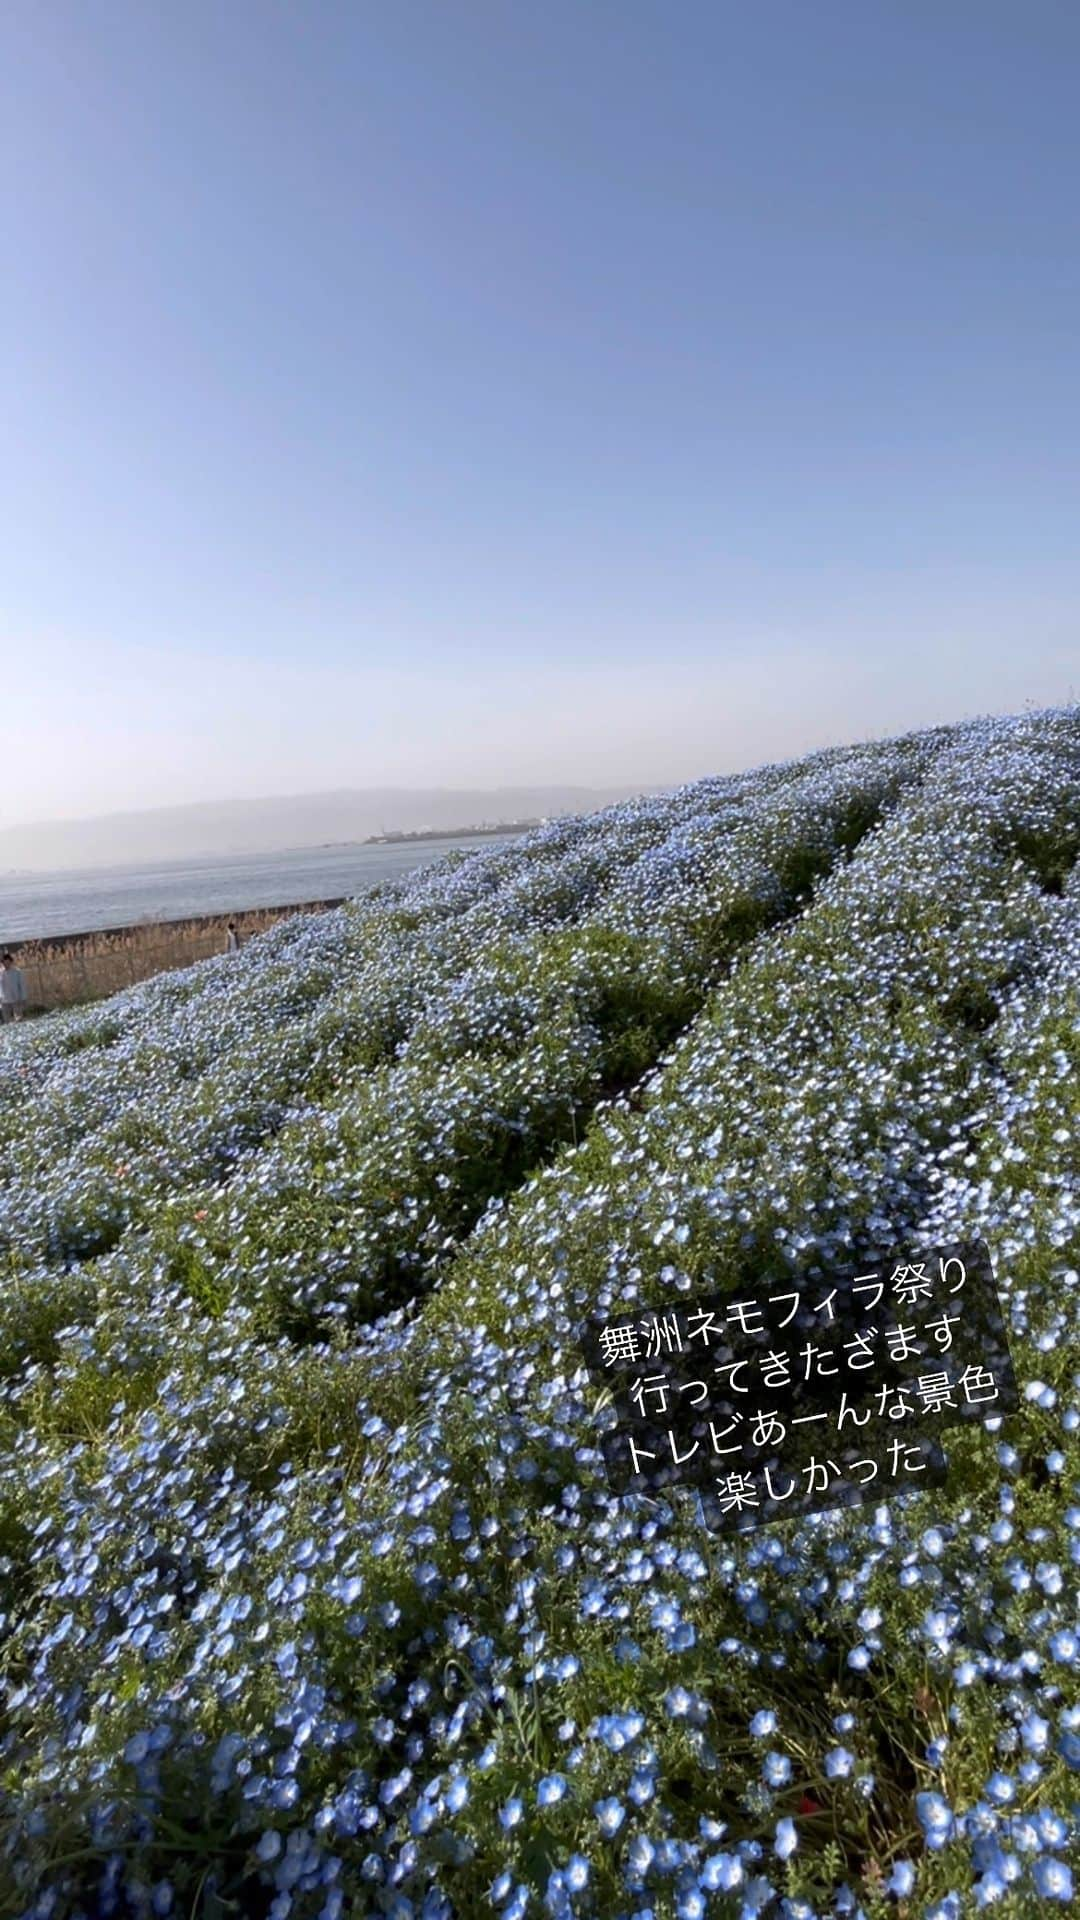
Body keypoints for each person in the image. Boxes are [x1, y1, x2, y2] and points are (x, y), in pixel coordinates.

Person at [0, 952, 26, 1023]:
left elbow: (22, 985)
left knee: (18, 1018)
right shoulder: (1, 973)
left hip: (16, 998)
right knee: (6, 1020)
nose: (6, 965)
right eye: (4, 963)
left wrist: (23, 997)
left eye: (7, 963)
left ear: (11, 962)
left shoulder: (17, 972)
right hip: (4, 1000)